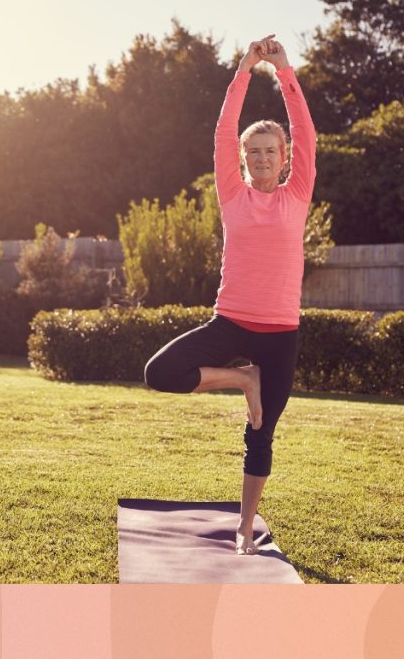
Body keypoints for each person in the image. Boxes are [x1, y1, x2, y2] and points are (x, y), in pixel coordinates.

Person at [143, 34, 317, 556]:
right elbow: (223, 131)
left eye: (271, 151)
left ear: (284, 159)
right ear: (242, 160)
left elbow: (306, 132)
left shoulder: (298, 194)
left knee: (261, 432)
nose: (262, 158)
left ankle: (245, 527)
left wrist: (285, 72)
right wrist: (245, 68)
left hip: (281, 334)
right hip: (232, 322)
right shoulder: (232, 193)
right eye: (253, 152)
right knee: (160, 374)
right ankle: (242, 378)